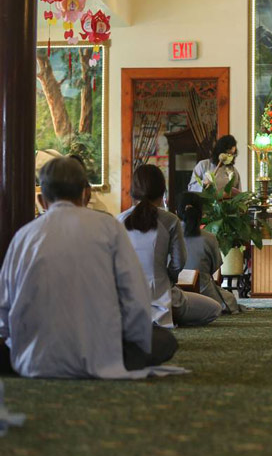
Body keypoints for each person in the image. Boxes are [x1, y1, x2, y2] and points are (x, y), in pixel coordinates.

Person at [0, 158, 178, 378]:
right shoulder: (109, 227)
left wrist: (17, 344)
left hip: (34, 359)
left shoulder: (23, 236)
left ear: (41, 200)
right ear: (87, 194)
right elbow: (135, 297)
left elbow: (4, 310)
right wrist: (130, 338)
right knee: (164, 341)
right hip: (100, 355)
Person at [119, 164, 221, 328]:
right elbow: (179, 261)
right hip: (162, 293)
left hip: (126, 299)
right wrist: (167, 280)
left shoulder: (119, 220)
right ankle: (163, 315)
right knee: (214, 309)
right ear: (162, 191)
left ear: (133, 191)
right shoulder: (170, 220)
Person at [178, 193, 245, 314]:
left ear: (178, 212)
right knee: (229, 299)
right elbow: (214, 267)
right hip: (204, 292)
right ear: (201, 213)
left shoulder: (167, 236)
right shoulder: (209, 238)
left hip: (175, 290)